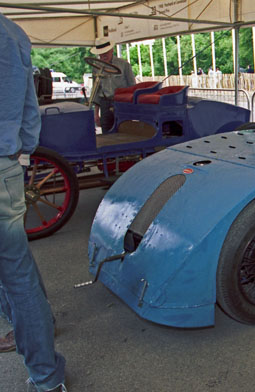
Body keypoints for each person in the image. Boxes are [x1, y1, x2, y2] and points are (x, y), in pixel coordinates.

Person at [0, 12, 67, 392]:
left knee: (13, 276)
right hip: (5, 164)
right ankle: (45, 372)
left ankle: (38, 356)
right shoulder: (12, 32)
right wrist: (23, 156)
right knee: (17, 272)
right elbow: (29, 105)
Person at [90, 37, 135, 133]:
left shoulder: (123, 64)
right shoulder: (96, 67)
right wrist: (96, 114)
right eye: (101, 53)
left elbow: (132, 86)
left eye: (106, 53)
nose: (104, 56)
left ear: (112, 50)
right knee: (106, 131)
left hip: (121, 102)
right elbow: (96, 91)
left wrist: (131, 108)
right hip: (104, 103)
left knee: (124, 130)